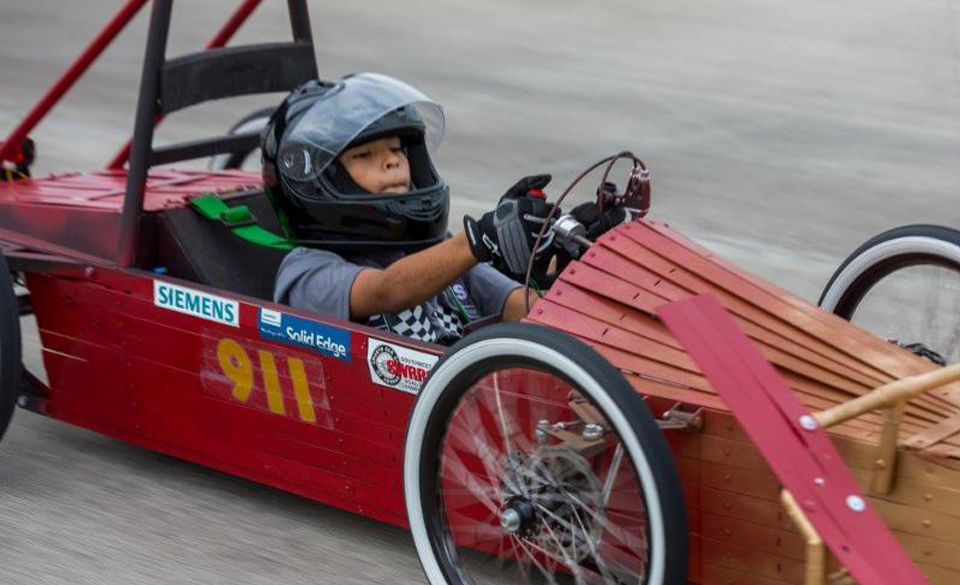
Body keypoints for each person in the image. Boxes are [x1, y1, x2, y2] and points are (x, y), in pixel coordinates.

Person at [262, 73, 553, 344]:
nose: (393, 161)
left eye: (397, 148)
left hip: (469, 381)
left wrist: (556, 263)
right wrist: (480, 237)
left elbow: (515, 303)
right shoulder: (307, 272)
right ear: (320, 180)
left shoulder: (433, 247)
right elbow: (388, 290)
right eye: (365, 154)